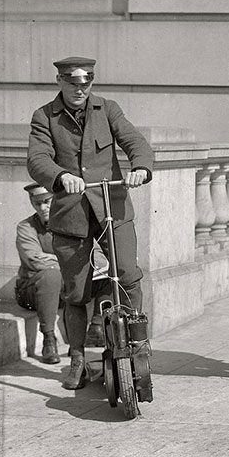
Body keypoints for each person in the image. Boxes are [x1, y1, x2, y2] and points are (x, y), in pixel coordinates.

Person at [26, 56, 153, 391]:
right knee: (76, 292)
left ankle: (137, 343)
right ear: (60, 82)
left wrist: (139, 167)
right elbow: (37, 160)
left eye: (86, 83)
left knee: (127, 274)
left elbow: (135, 141)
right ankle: (78, 357)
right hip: (71, 214)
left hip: (112, 206)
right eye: (72, 83)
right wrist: (60, 175)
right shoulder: (44, 117)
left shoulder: (107, 109)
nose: (80, 89)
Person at [14, 184, 62, 364]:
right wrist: (65, 261)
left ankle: (96, 328)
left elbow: (95, 257)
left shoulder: (69, 224)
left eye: (47, 202)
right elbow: (34, 260)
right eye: (37, 203)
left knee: (109, 275)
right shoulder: (26, 227)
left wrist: (51, 257)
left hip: (62, 289)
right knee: (50, 275)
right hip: (30, 291)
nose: (42, 208)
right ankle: (49, 339)